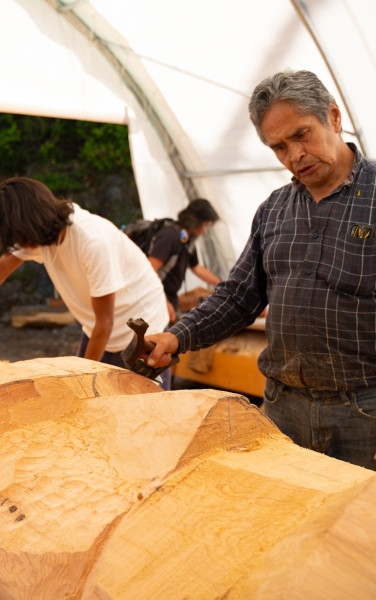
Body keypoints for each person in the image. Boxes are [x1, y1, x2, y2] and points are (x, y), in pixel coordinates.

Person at [142, 69, 376, 470]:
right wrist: (177, 336)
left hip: (364, 414)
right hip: (283, 408)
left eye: (301, 135)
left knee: (361, 529)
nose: (294, 155)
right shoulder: (274, 210)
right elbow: (239, 295)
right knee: (287, 522)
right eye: (279, 147)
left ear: (334, 118)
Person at [0, 177, 169, 374]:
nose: (18, 246)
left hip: (142, 332)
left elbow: (106, 323)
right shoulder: (44, 235)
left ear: (31, 224)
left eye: (19, 237)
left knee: (135, 415)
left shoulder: (92, 242)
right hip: (98, 328)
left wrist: (80, 376)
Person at [146, 199, 221, 322]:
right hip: (154, 301)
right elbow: (150, 270)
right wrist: (163, 301)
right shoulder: (170, 235)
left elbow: (196, 267)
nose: (205, 231)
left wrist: (222, 285)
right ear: (195, 220)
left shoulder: (186, 240)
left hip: (168, 299)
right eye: (206, 225)